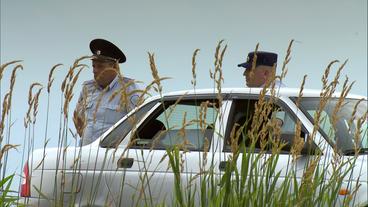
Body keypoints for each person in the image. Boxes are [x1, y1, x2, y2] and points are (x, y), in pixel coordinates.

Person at [73, 38, 142, 146]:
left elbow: (139, 123)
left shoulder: (128, 88)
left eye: (100, 66)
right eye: (93, 66)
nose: (95, 70)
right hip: (86, 154)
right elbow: (78, 118)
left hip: (113, 156)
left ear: (114, 67)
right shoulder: (87, 88)